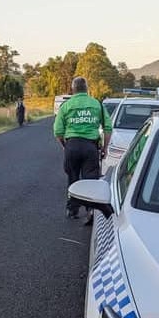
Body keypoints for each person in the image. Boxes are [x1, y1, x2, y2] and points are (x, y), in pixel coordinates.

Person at [53, 77, 112, 224]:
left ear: (73, 89)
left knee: (73, 178)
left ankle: (72, 210)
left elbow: (58, 131)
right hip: (90, 147)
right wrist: (104, 148)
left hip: (72, 145)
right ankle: (91, 211)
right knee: (90, 180)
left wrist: (65, 146)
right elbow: (108, 128)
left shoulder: (66, 106)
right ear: (87, 89)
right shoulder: (97, 104)